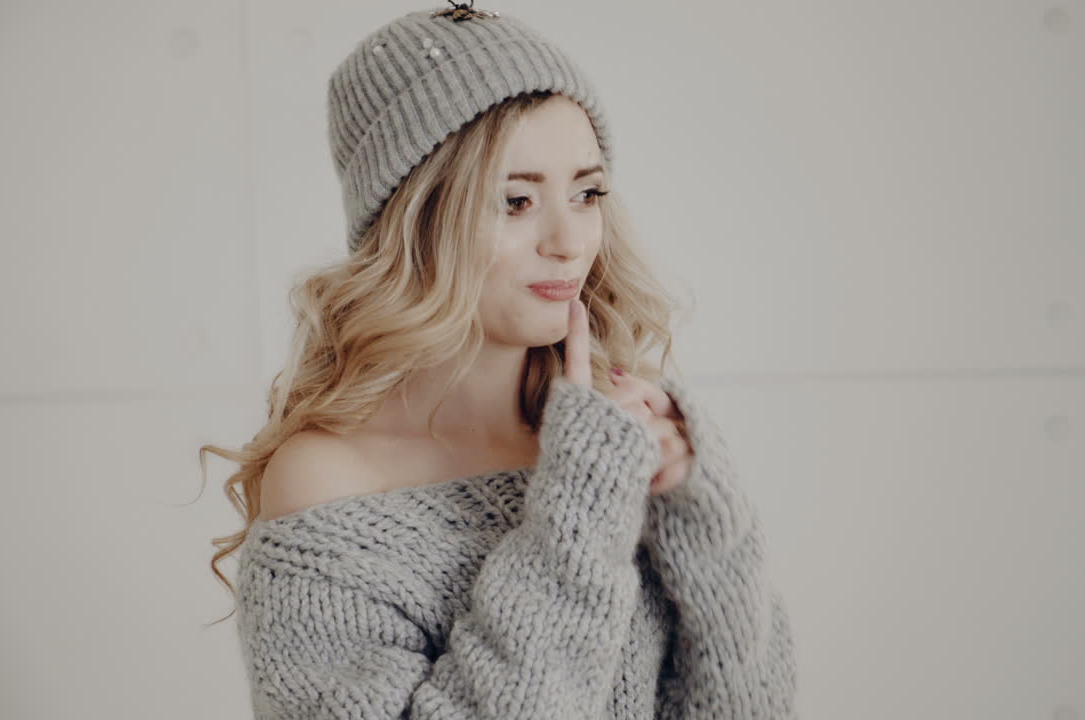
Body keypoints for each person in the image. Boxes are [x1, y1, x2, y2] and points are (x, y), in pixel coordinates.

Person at [200, 4, 798, 718]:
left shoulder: (612, 427)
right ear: (413, 220)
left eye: (587, 193)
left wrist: (698, 513)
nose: (568, 240)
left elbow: (749, 705)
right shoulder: (331, 484)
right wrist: (578, 512)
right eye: (515, 201)